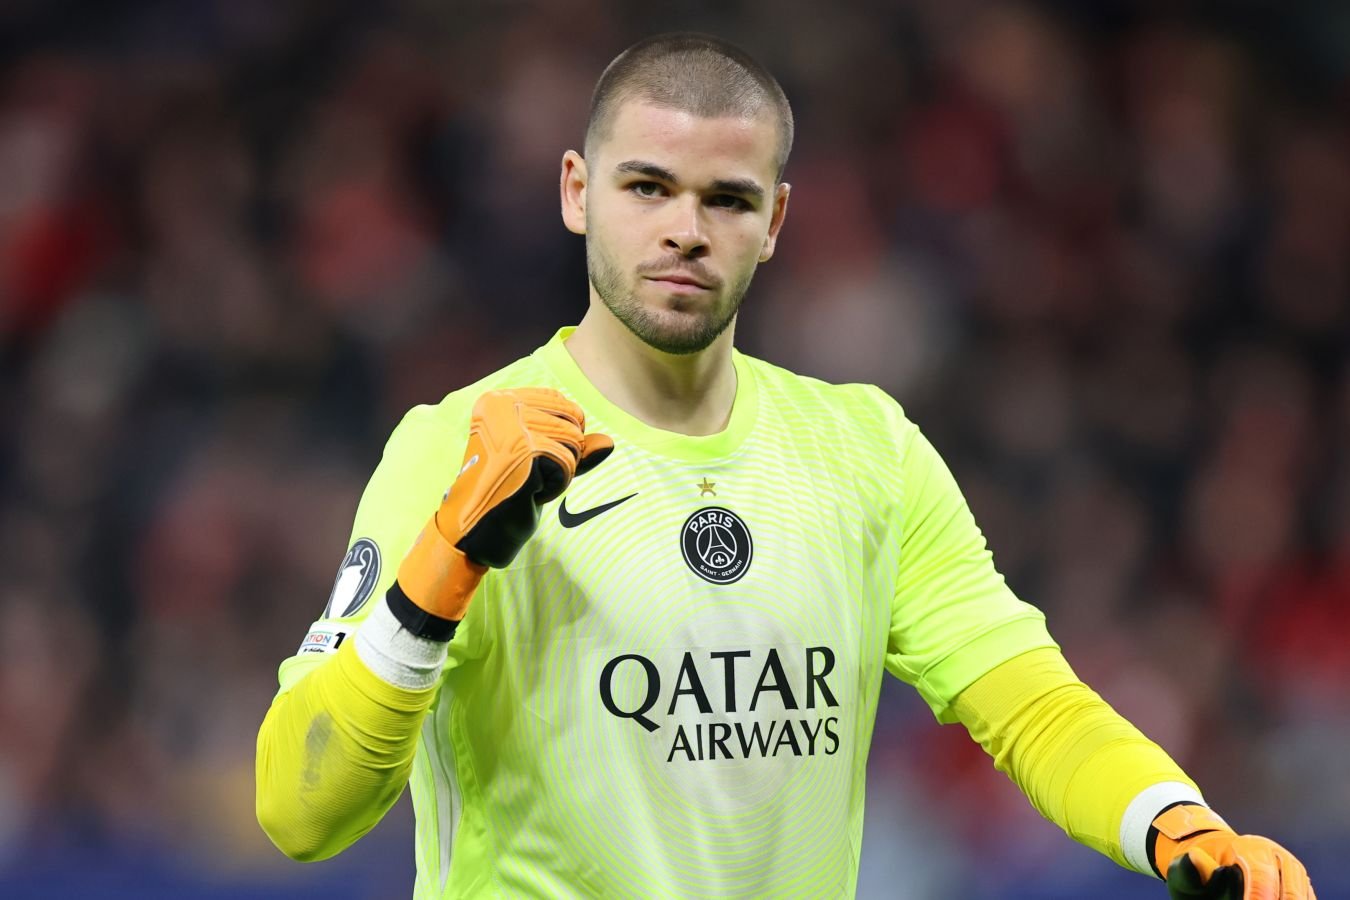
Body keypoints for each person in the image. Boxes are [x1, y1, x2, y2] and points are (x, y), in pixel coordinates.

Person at [255, 33, 1316, 899]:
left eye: (726, 199)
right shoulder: (458, 446)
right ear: (577, 192)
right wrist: (438, 576)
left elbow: (1032, 705)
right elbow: (298, 812)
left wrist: (1175, 821)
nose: (685, 230)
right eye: (647, 187)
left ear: (776, 220)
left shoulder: (867, 450)